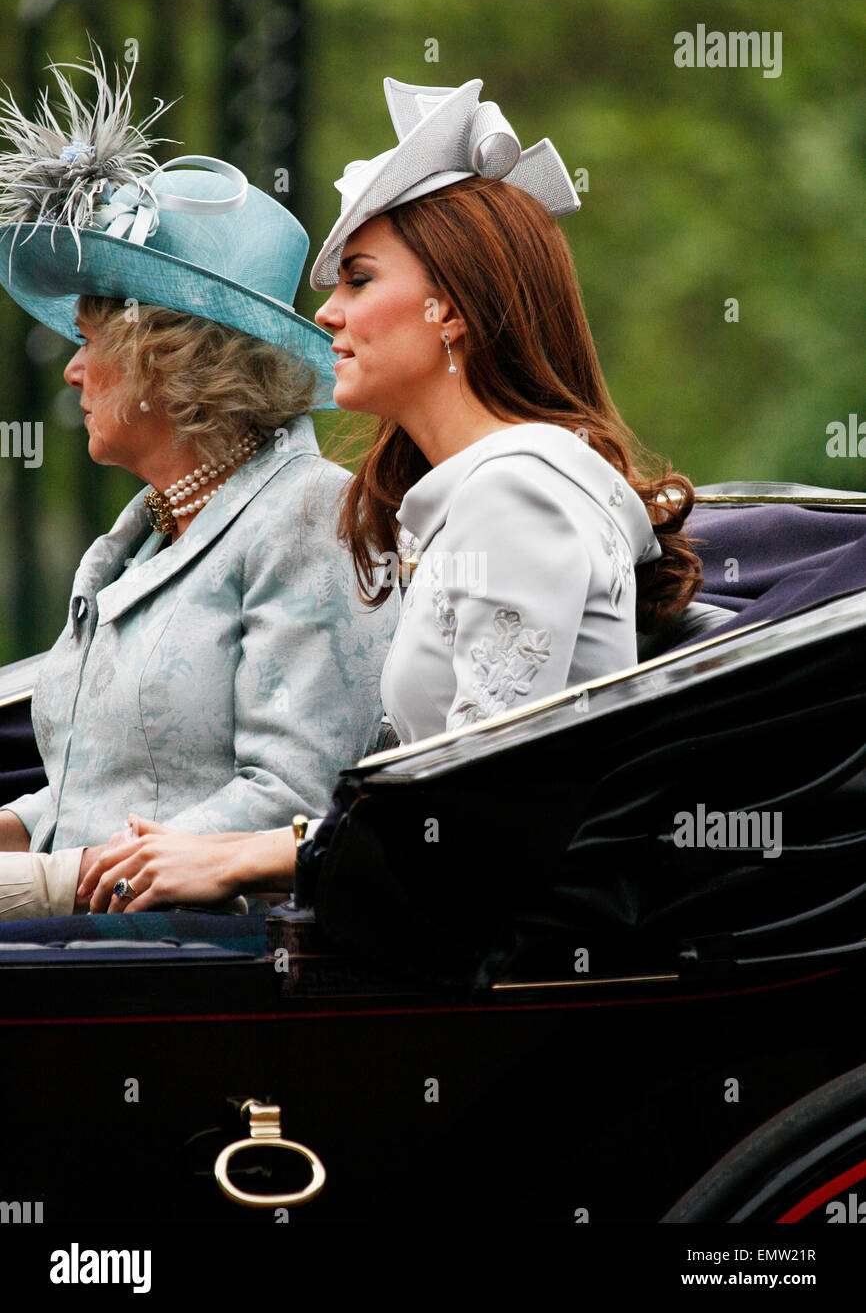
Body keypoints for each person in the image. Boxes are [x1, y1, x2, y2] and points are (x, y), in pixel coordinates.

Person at [80, 76, 701, 914]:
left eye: (360, 280)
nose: (327, 313)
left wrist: (242, 858)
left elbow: (481, 824)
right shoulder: (476, 497)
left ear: (451, 309)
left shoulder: (521, 495)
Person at [0, 48, 394, 918]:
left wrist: (52, 884)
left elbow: (297, 795)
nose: (72, 371)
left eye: (89, 339)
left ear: (164, 357)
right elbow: (105, 784)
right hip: (86, 948)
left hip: (200, 968)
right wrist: (18, 833)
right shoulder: (139, 538)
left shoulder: (308, 515)